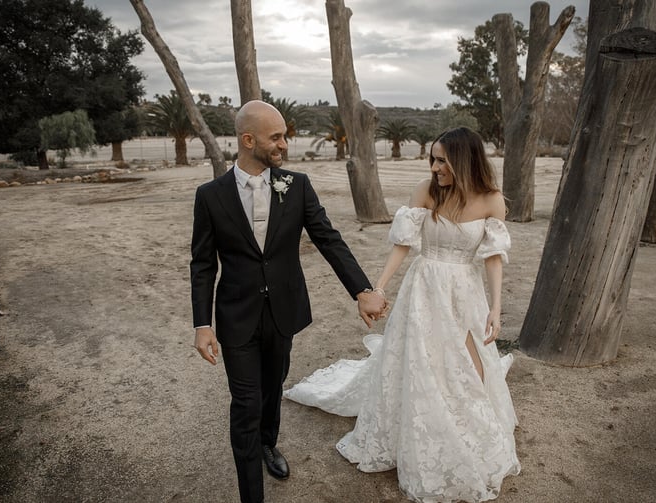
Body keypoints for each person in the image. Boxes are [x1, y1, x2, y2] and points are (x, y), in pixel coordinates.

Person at [284, 127, 521, 502]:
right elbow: (403, 245)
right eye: (432, 158)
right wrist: (378, 287)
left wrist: (495, 307)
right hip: (424, 288)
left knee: (469, 366)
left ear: (463, 159)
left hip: (464, 292)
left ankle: (469, 431)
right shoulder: (427, 192)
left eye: (442, 159)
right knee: (422, 362)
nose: (435, 166)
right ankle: (419, 429)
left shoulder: (493, 200)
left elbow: (492, 257)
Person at [190, 100, 386, 503]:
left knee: (272, 386)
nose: (284, 143)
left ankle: (267, 442)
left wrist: (362, 290)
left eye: (284, 135)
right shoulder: (210, 196)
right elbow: (203, 264)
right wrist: (202, 324)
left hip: (283, 311)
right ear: (248, 140)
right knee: (244, 403)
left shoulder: (296, 185)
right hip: (236, 316)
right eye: (275, 137)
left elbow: (328, 239)